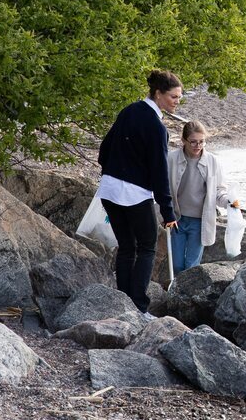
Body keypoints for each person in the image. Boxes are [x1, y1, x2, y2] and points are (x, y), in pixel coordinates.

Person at [97, 70, 181, 317]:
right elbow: (159, 173)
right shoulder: (156, 127)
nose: (177, 101)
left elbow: (104, 149)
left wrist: (114, 171)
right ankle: (139, 307)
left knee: (126, 246)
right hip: (133, 194)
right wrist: (168, 212)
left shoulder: (129, 110)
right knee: (147, 246)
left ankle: (123, 302)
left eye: (179, 97)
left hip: (109, 188)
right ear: (158, 94)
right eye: (173, 97)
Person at [167, 120, 241, 275]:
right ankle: (176, 294)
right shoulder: (171, 159)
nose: (198, 146)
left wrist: (229, 202)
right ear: (183, 140)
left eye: (202, 142)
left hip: (200, 221)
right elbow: (162, 189)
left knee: (192, 266)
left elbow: (219, 191)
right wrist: (163, 213)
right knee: (177, 264)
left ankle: (186, 297)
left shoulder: (213, 161)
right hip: (176, 219)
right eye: (193, 142)